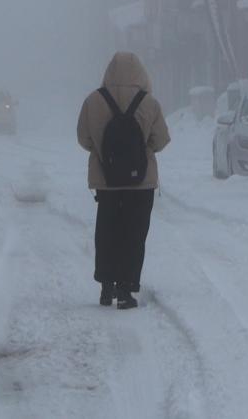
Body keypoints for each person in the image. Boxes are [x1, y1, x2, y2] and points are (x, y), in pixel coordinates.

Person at [77, 52, 170, 310]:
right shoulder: (149, 103)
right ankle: (126, 289)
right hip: (141, 183)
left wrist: (103, 151)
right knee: (134, 233)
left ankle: (106, 286)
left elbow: (83, 139)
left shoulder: (93, 101)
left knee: (107, 230)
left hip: (106, 180)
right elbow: (161, 140)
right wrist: (142, 151)